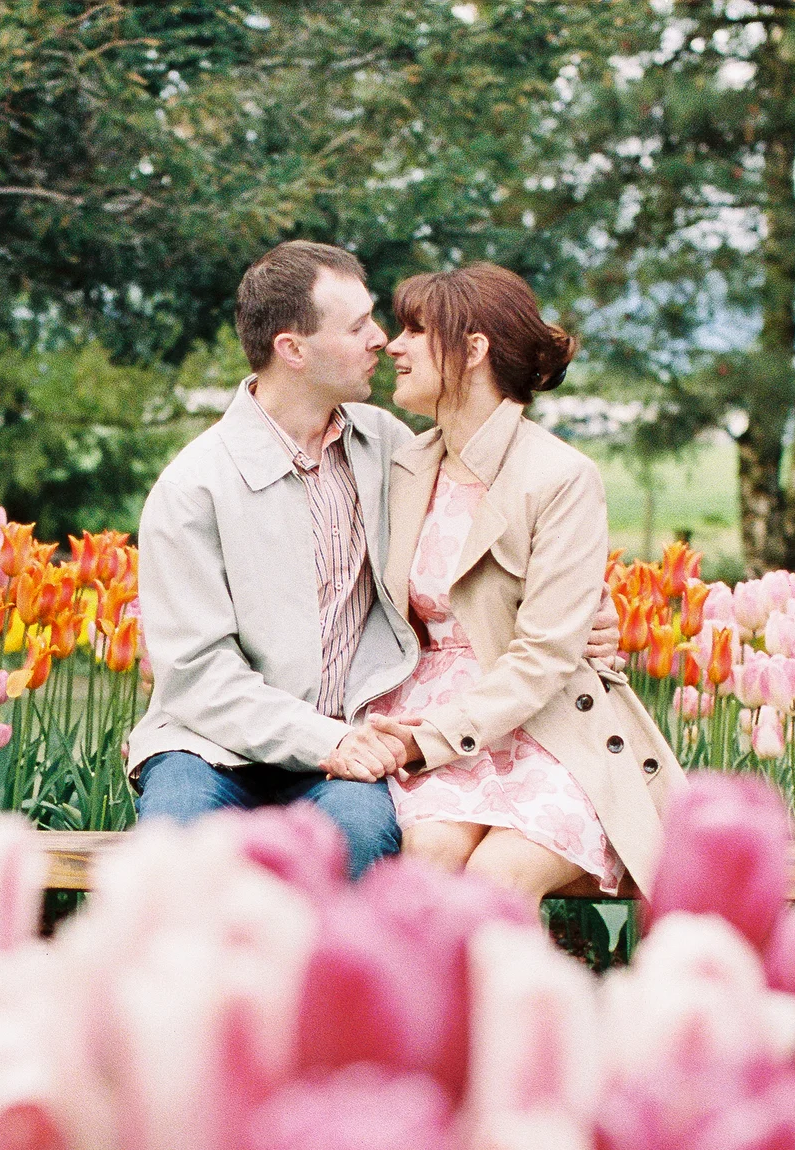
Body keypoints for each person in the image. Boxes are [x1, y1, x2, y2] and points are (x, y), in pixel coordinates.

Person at [125, 242, 619, 876]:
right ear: (292, 349)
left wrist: (589, 622)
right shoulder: (194, 487)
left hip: (353, 740)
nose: (381, 340)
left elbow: (478, 534)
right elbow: (195, 674)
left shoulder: (387, 448)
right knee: (180, 846)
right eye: (357, 325)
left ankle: (341, 977)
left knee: (362, 841)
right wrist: (328, 740)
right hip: (212, 746)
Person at [364, 261, 683, 904]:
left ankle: (522, 1006)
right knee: (425, 862)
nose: (392, 346)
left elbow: (544, 655)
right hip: (423, 710)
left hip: (548, 726)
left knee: (496, 881)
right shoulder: (402, 465)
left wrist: (427, 739)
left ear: (474, 349)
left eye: (415, 330)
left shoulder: (559, 476)